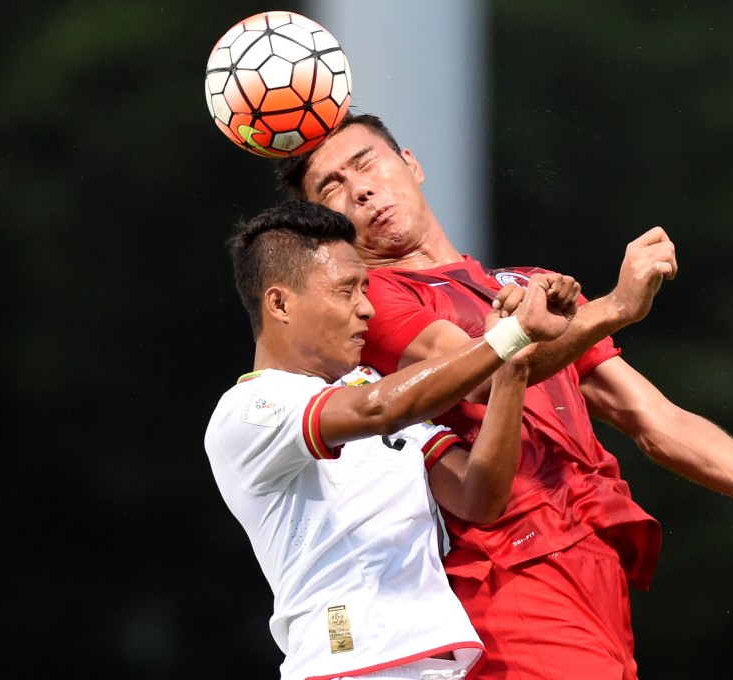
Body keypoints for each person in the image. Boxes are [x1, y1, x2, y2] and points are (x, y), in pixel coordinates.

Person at [276, 113, 733, 680]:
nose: (360, 189)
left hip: (595, 567)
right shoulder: (377, 301)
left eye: (367, 162)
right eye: (332, 188)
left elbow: (654, 419)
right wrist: (614, 307)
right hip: (508, 576)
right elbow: (483, 370)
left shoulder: (527, 283)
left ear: (411, 163)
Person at [203, 199, 580, 680]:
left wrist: (513, 366)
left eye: (365, 288)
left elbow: (478, 496)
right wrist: (508, 336)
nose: (367, 307)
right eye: (346, 290)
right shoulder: (250, 410)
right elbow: (380, 410)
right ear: (279, 304)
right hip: (347, 662)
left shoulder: (368, 388)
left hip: (435, 662)